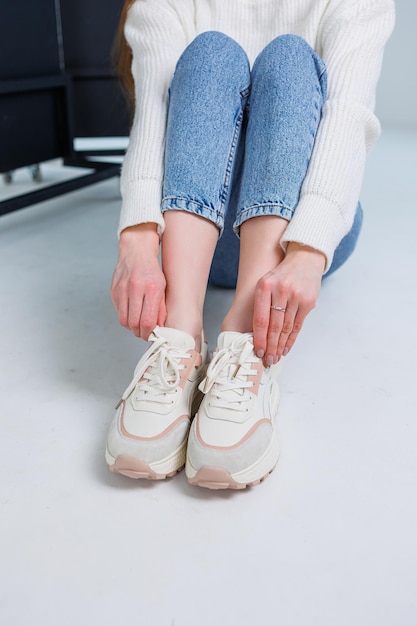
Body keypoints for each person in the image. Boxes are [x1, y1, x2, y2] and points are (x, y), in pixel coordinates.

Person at [105, 0, 395, 489]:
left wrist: (307, 252)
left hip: (296, 240)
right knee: (211, 55)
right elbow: (152, 117)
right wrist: (136, 242)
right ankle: (180, 340)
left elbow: (348, 116)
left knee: (289, 58)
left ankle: (244, 347)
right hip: (197, 243)